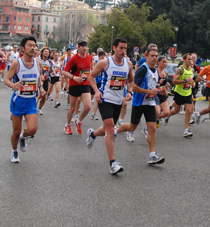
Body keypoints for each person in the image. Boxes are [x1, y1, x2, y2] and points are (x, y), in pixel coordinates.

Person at [85, 38, 134, 174]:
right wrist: (96, 91)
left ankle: (93, 134)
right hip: (105, 99)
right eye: (121, 48)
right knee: (111, 129)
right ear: (114, 48)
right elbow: (91, 77)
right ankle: (113, 163)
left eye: (125, 48)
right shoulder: (105, 62)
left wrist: (129, 92)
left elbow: (131, 81)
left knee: (108, 128)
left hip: (118, 101)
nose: (123, 51)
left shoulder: (128, 64)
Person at [116, 46, 166, 164]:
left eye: (156, 56)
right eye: (152, 56)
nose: (154, 58)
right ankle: (116, 131)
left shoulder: (156, 71)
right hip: (139, 103)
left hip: (150, 103)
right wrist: (149, 92)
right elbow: (134, 87)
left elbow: (154, 87)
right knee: (132, 127)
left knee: (152, 128)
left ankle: (152, 155)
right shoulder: (143, 69)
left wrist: (160, 91)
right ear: (146, 56)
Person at [5, 36, 43, 163]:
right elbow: (7, 79)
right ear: (22, 48)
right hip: (18, 101)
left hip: (31, 101)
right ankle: (14, 151)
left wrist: (41, 87)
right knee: (16, 131)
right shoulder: (17, 63)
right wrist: (13, 85)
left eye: (34, 46)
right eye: (30, 46)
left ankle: (23, 137)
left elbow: (39, 77)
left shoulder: (38, 63)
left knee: (32, 129)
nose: (33, 48)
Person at [62, 40, 93, 135]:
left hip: (85, 84)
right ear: (78, 47)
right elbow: (64, 72)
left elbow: (89, 69)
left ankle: (78, 121)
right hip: (74, 85)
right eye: (82, 46)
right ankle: (67, 125)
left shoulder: (89, 57)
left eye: (86, 46)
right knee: (72, 108)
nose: (84, 48)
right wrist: (74, 77)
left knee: (88, 106)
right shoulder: (73, 59)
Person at [165, 53, 196, 138]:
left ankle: (186, 130)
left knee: (188, 111)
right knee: (176, 111)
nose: (191, 61)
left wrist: (193, 83)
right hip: (179, 93)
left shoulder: (191, 69)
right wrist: (185, 81)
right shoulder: (180, 69)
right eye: (189, 59)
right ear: (184, 60)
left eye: (191, 59)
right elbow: (174, 81)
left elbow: (191, 80)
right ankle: (167, 115)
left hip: (188, 93)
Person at [156, 56, 172, 127]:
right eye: (163, 62)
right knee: (157, 111)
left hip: (163, 93)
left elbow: (166, 82)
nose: (165, 64)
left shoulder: (166, 72)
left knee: (167, 113)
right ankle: (150, 124)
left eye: (166, 62)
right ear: (159, 62)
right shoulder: (155, 71)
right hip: (156, 94)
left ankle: (156, 118)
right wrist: (158, 83)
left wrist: (167, 85)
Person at [37, 47, 52, 115]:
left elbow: (51, 70)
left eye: (48, 52)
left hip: (46, 79)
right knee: (39, 94)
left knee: (44, 95)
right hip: (39, 79)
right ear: (42, 53)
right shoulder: (38, 60)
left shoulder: (49, 62)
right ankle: (32, 107)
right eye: (45, 51)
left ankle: (39, 108)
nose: (46, 53)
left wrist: (53, 71)